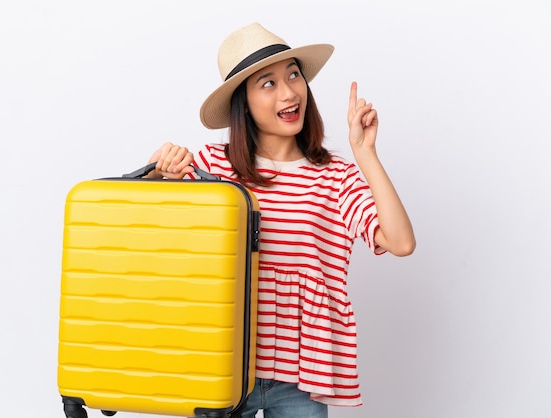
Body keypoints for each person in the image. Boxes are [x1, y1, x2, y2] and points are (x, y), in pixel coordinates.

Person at [145, 22, 416, 418]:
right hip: (221, 371)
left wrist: (365, 152)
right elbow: (149, 237)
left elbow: (401, 242)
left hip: (300, 381)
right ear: (244, 101)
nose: (289, 92)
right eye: (268, 83)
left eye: (293, 75)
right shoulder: (212, 167)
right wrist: (158, 171)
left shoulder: (335, 176)